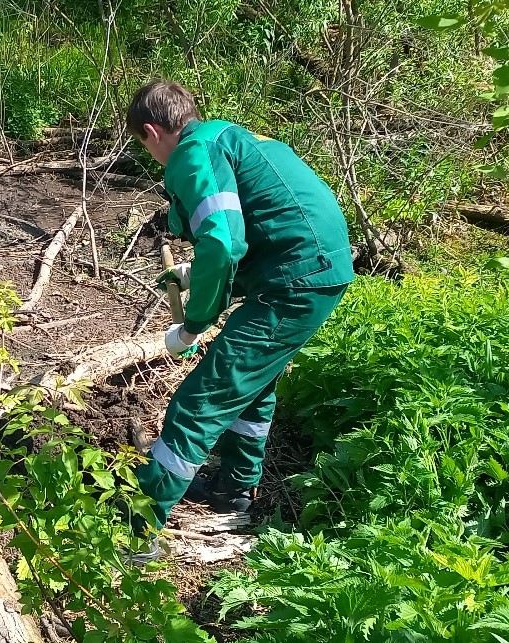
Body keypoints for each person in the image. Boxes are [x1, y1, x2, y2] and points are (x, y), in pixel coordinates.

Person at [125, 80, 354, 561]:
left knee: (199, 400)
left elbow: (224, 243)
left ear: (151, 132)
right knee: (252, 383)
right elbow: (268, 227)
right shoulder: (230, 136)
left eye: (148, 150)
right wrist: (198, 273)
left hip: (297, 280)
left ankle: (134, 530)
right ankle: (233, 491)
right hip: (314, 269)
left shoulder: (192, 153)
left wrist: (194, 323)